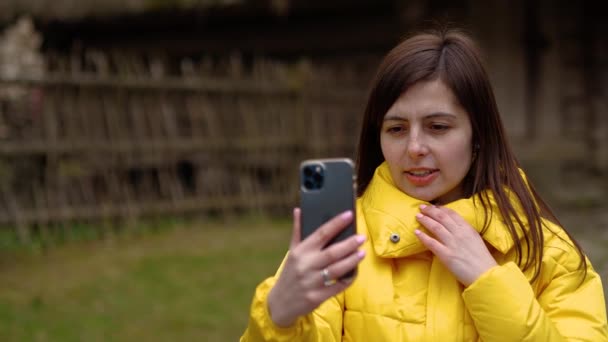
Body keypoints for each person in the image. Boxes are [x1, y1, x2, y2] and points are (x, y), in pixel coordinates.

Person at [240, 28, 608, 341]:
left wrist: (489, 281)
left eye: (438, 127)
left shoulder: (548, 251)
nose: (414, 148)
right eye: (397, 129)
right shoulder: (341, 242)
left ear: (478, 135)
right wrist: (279, 317)